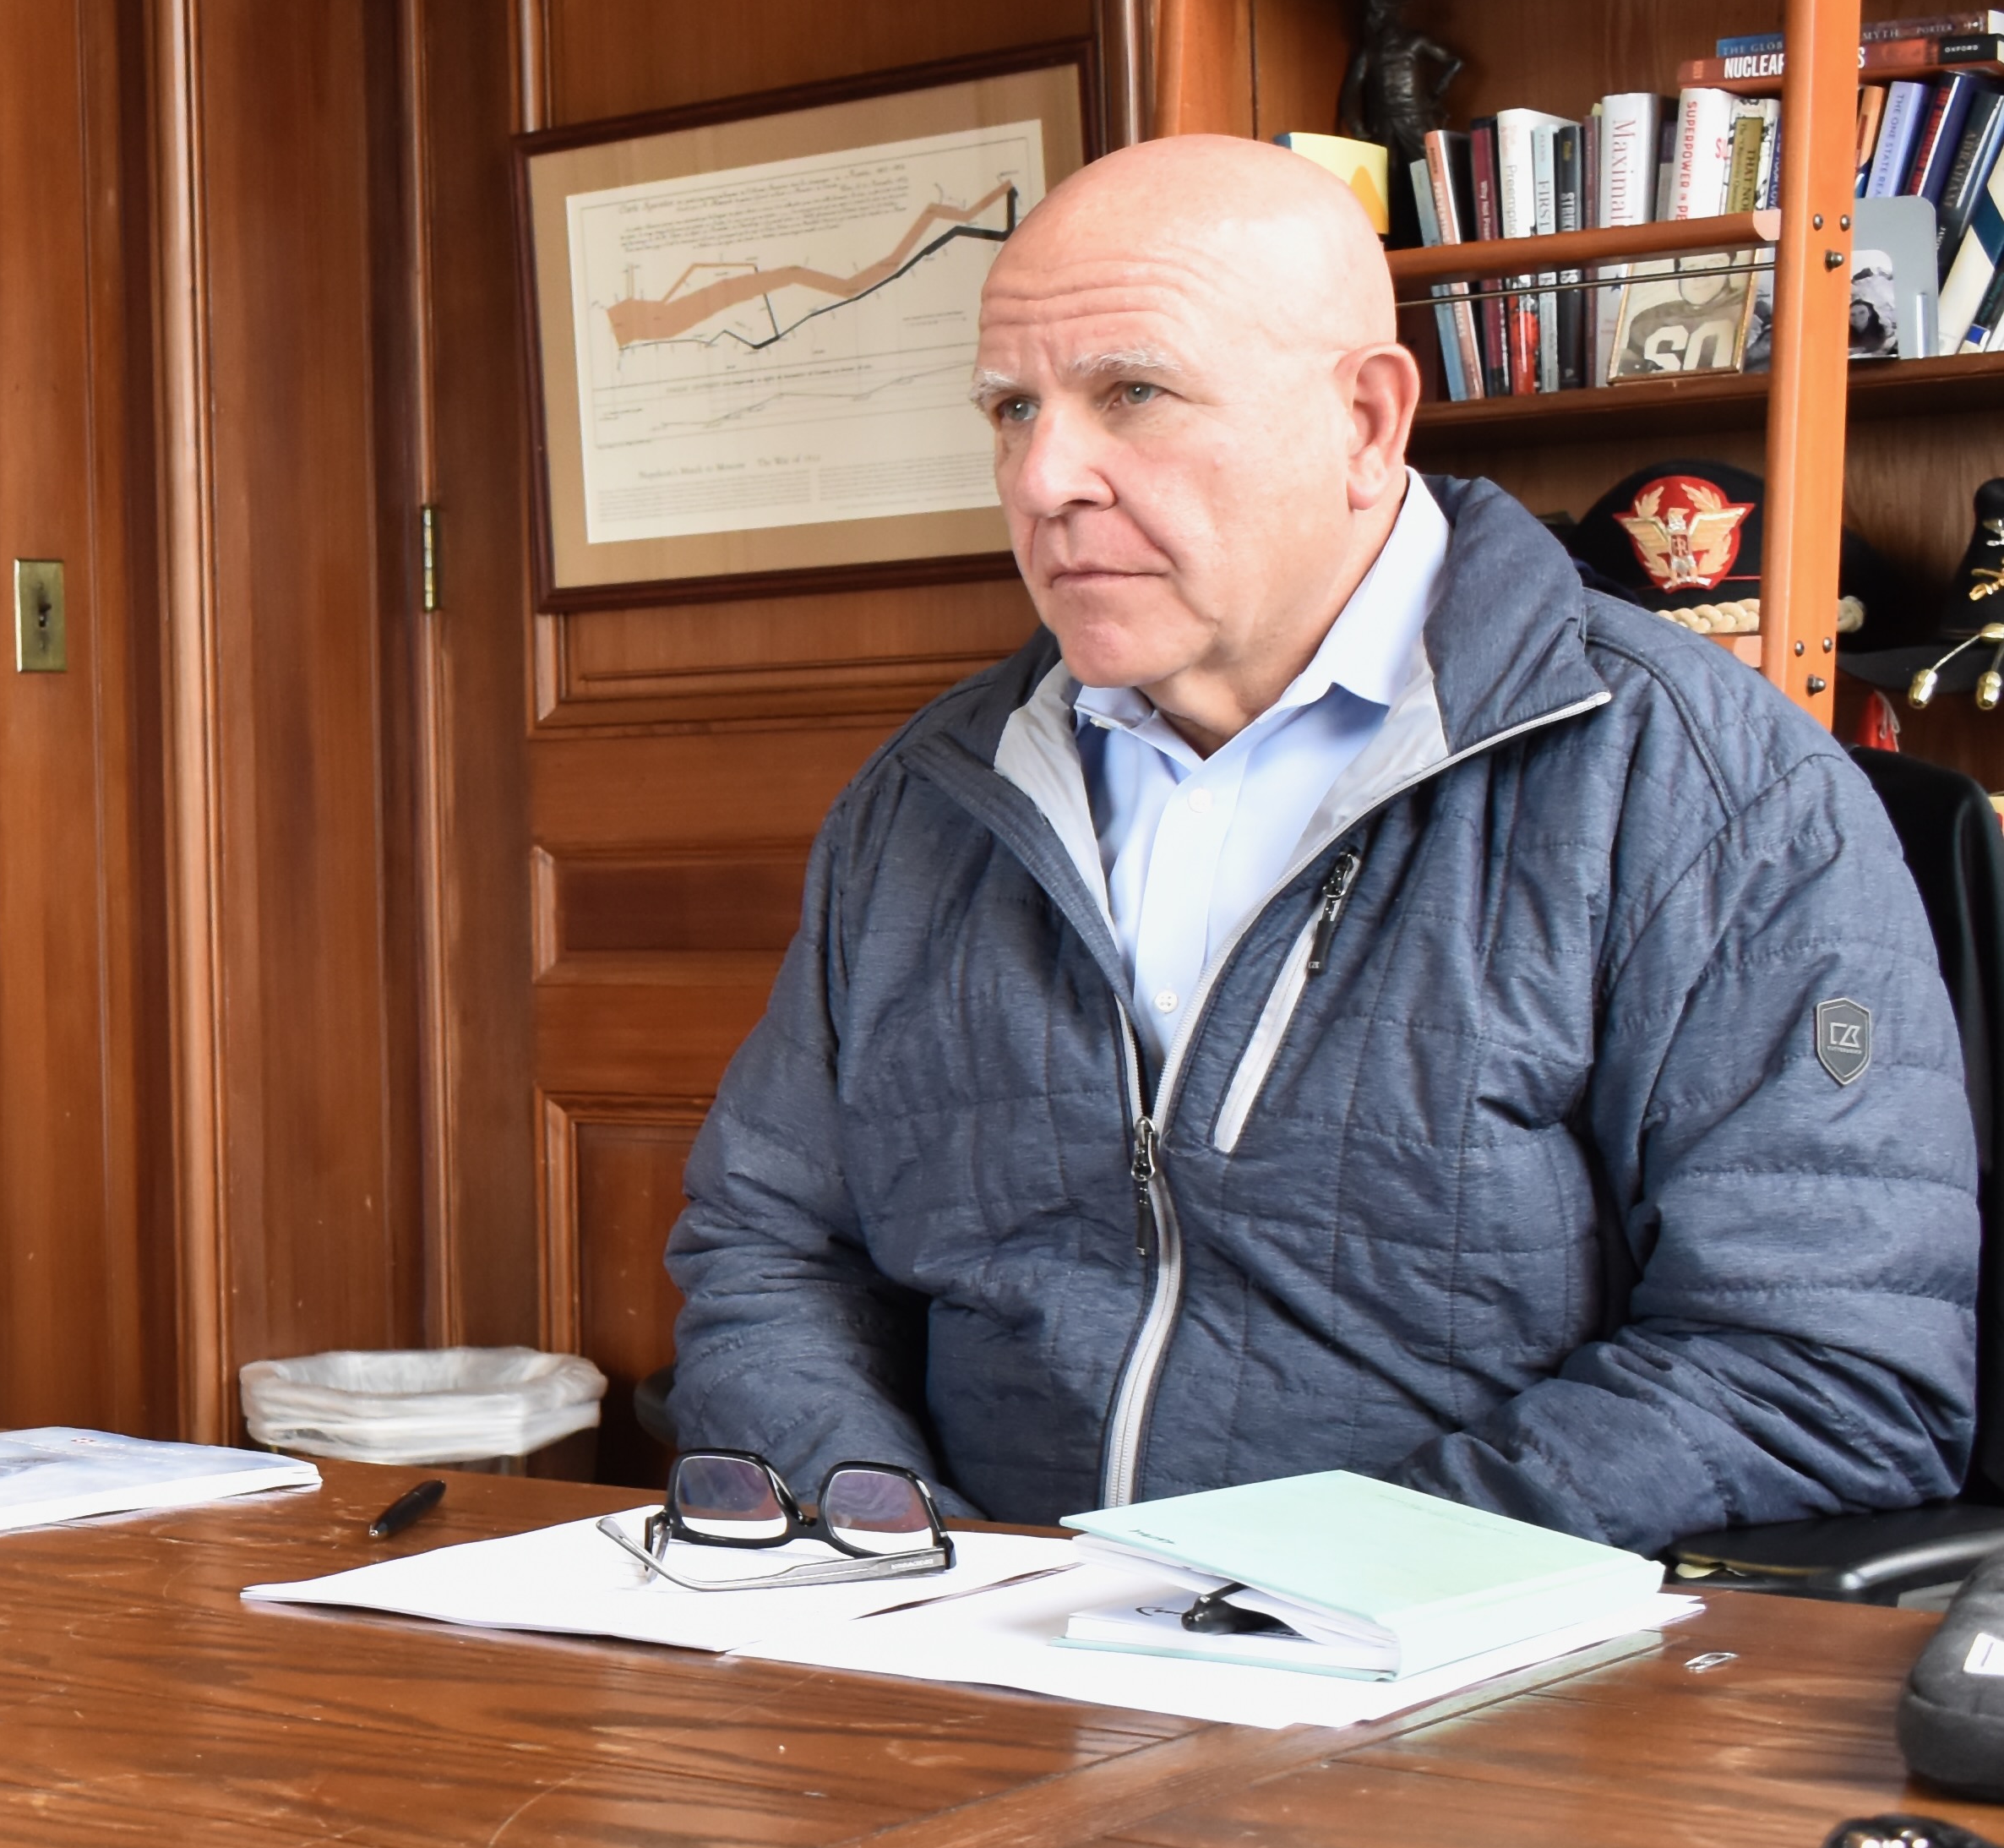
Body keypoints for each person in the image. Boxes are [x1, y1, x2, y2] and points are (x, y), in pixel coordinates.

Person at [667, 134, 1978, 1547]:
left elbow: (1821, 1368)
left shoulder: (1708, 786)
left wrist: (1276, 1596)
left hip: (1460, 1653)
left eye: (1132, 394)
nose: (1044, 478)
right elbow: (769, 1253)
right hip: (963, 1629)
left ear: (1365, 421)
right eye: (1012, 408)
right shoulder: (923, 800)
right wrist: (902, 1552)